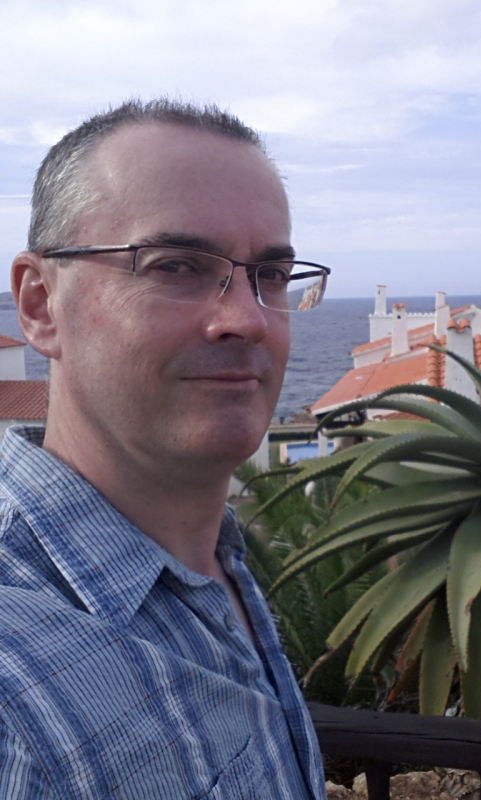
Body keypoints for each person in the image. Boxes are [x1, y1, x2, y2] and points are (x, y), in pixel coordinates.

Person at [0, 99, 330, 799]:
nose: (247, 318)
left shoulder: (215, 560)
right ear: (40, 305)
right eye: (175, 265)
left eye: (270, 275)